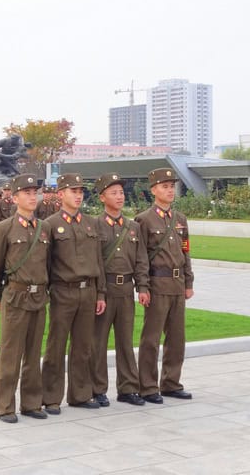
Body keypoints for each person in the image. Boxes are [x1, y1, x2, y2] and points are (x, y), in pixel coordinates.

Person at [0, 173, 52, 424]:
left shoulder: (44, 228)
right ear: (15, 198)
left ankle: (31, 403)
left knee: (34, 353)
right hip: (15, 296)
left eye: (34, 192)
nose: (32, 196)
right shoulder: (4, 228)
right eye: (26, 193)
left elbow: (47, 263)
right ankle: (4, 406)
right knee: (10, 354)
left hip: (39, 297)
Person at [41, 173, 106, 414]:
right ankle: (51, 397)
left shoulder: (91, 223)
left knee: (83, 346)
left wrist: (101, 293)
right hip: (63, 292)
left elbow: (98, 260)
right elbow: (45, 263)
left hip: (88, 292)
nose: (78, 195)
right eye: (73, 191)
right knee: (55, 346)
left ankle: (80, 394)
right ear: (61, 194)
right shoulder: (49, 224)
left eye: (81, 191)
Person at [135, 167, 194, 404]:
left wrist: (188, 281)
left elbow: (186, 252)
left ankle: (171, 382)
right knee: (151, 338)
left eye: (172, 186)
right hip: (157, 284)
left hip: (177, 284)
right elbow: (140, 257)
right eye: (164, 187)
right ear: (153, 190)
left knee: (177, 338)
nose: (170, 191)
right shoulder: (143, 219)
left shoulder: (180, 220)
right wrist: (143, 287)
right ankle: (148, 386)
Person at [92, 172, 149, 407]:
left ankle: (128, 388)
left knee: (126, 341)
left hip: (126, 289)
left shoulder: (133, 227)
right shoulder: (94, 225)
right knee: (99, 342)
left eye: (122, 193)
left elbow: (141, 260)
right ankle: (98, 389)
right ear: (102, 197)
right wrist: (99, 294)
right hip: (105, 291)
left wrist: (143, 286)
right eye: (114, 193)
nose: (120, 197)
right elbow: (94, 261)